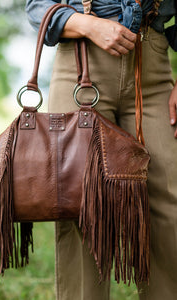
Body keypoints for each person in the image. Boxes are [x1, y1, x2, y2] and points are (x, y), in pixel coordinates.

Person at [25, 0, 177, 299]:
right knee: (80, 203)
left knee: (169, 202)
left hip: (154, 67)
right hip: (80, 62)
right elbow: (36, 6)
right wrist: (87, 24)